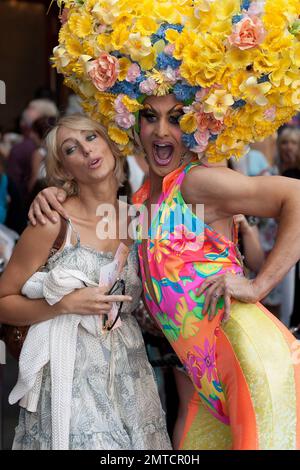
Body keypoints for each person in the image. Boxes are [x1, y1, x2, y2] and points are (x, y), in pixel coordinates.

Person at [30, 0, 300, 450]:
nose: (161, 132)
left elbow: (296, 196)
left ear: (194, 126)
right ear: (131, 123)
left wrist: (258, 286)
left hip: (251, 362)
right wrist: (53, 192)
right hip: (195, 377)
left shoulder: (197, 181)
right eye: (150, 117)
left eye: (176, 119)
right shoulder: (138, 200)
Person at [0, 114, 171, 450]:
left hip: (129, 370)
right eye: (71, 148)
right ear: (64, 169)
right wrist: (62, 305)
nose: (87, 150)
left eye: (92, 137)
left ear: (109, 143)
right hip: (70, 376)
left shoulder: (138, 219)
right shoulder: (52, 222)